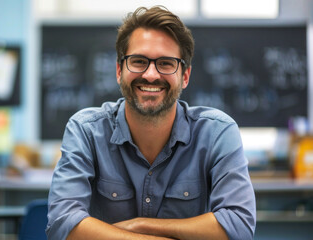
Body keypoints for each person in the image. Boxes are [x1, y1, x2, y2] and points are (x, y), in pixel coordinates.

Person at [46, 6, 256, 240]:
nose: (151, 74)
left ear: (184, 76)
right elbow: (61, 224)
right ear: (119, 70)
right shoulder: (85, 131)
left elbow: (239, 226)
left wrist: (140, 225)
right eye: (138, 61)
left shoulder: (217, 132)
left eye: (166, 63)